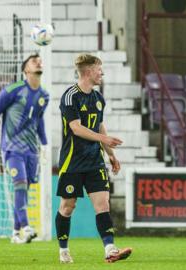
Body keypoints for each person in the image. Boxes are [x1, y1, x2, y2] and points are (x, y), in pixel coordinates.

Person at [55, 53, 132, 264]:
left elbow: (99, 125)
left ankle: (110, 249)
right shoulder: (70, 96)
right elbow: (76, 128)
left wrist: (111, 154)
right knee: (67, 207)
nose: (102, 73)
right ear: (88, 71)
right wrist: (104, 138)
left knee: (103, 204)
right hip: (73, 162)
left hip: (94, 162)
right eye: (99, 69)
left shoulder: (98, 99)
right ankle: (63, 250)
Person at [0, 53, 49, 244]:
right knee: (20, 184)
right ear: (26, 70)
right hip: (11, 148)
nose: (39, 62)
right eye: (34, 61)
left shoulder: (44, 96)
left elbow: (39, 120)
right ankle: (26, 226)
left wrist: (45, 144)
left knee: (25, 190)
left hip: (32, 151)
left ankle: (15, 234)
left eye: (40, 61)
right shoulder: (13, 90)